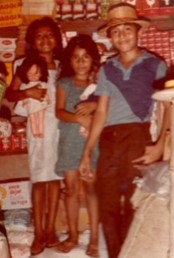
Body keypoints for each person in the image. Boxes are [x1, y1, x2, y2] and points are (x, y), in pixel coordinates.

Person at [78, 3, 168, 258]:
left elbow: (166, 109)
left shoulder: (155, 65)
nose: (122, 36)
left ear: (138, 32)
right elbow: (102, 112)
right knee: (107, 203)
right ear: (110, 36)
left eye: (127, 29)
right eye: (116, 31)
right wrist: (87, 153)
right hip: (109, 140)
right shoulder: (107, 69)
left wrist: (160, 144)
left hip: (138, 138)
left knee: (133, 202)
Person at [6, 17, 63, 255]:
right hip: (38, 129)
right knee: (39, 179)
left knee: (55, 179)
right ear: (31, 41)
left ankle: (51, 230)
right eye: (39, 35)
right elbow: (10, 94)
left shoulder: (63, 65)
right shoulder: (24, 63)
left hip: (61, 127)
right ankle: (38, 232)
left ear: (57, 39)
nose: (45, 40)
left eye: (50, 34)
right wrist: (27, 91)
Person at [55, 34, 100, 257]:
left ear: (93, 60)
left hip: (92, 145)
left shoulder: (99, 86)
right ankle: (73, 235)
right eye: (75, 57)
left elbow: (104, 112)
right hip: (69, 144)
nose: (81, 62)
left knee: (92, 189)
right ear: (68, 61)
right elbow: (59, 111)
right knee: (71, 190)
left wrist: (93, 107)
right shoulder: (63, 83)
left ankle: (93, 240)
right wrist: (78, 118)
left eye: (86, 57)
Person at [14, 55, 50, 138]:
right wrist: (24, 100)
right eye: (30, 74)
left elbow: (45, 92)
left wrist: (47, 99)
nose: (33, 76)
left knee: (41, 118)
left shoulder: (42, 83)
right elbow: (23, 94)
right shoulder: (25, 85)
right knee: (32, 119)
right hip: (31, 105)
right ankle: (35, 133)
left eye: (36, 73)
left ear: (41, 73)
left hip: (40, 104)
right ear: (25, 74)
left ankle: (40, 131)